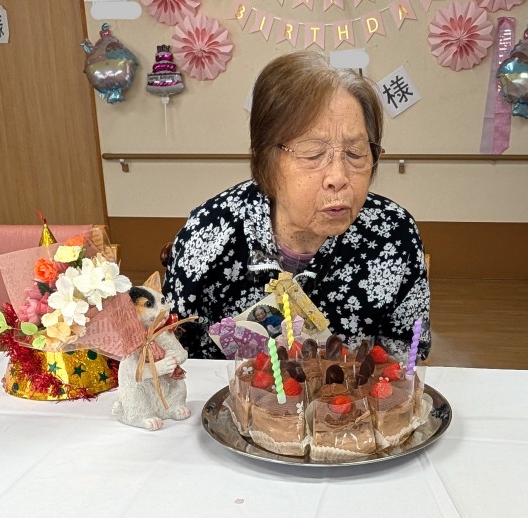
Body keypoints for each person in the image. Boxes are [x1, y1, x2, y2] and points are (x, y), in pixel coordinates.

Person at [163, 50, 431, 360]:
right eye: (313, 153)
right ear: (267, 158)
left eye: (355, 153)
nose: (338, 177)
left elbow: (407, 353)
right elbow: (172, 350)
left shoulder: (393, 233)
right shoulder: (210, 231)